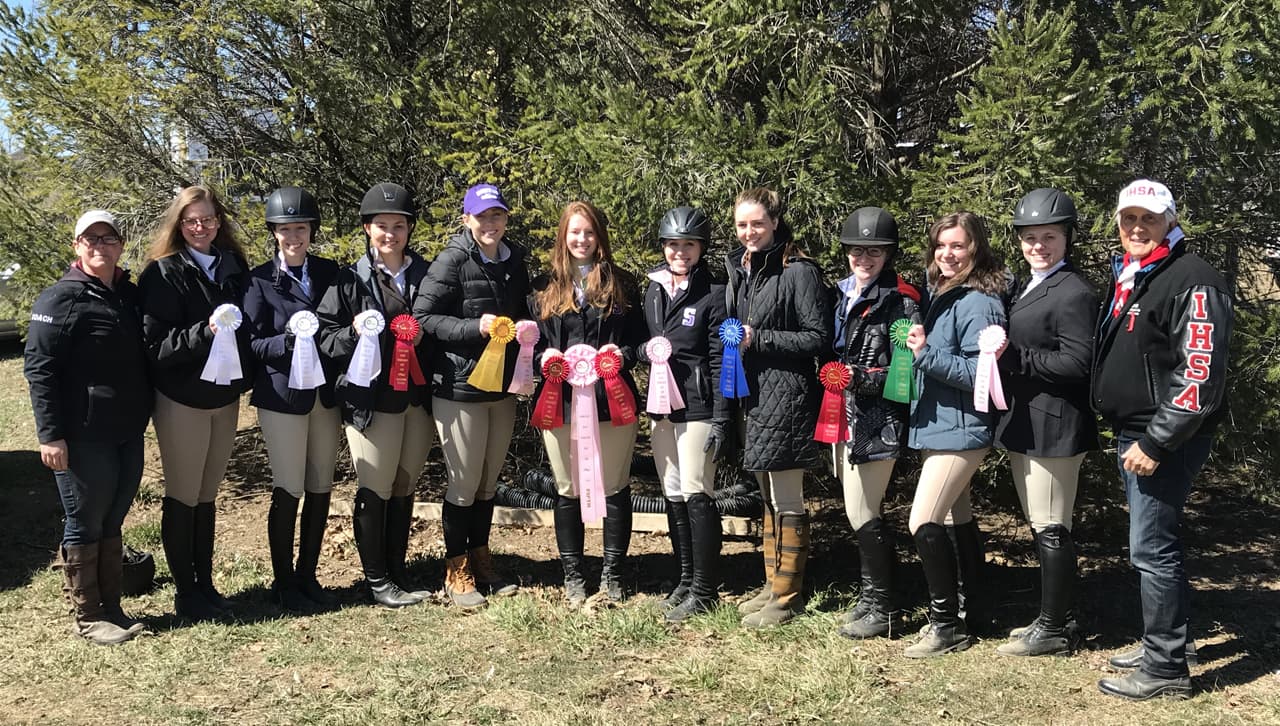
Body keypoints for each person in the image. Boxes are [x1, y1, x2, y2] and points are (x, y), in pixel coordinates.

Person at [1094, 180, 1231, 701]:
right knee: (1155, 544)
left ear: (1171, 221)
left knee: (1153, 549)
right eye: (1127, 218)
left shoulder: (1192, 278)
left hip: (1162, 435)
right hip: (1138, 429)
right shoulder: (1139, 272)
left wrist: (1156, 442)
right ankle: (1170, 644)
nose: (1136, 227)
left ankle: (1166, 670)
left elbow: (1198, 374)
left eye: (1148, 219)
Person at [24, 210, 152, 644]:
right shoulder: (60, 299)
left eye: (108, 237)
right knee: (84, 520)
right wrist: (50, 435)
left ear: (120, 244)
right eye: (90, 238)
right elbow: (39, 369)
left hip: (126, 428)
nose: (100, 245)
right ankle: (89, 616)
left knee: (113, 517)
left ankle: (112, 606)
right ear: (76, 246)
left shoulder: (127, 294)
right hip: (82, 432)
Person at [412, 183, 531, 611]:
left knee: (486, 482)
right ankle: (455, 569)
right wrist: (473, 328)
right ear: (467, 219)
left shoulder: (514, 259)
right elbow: (422, 317)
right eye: (482, 217)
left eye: (497, 215)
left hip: (501, 388)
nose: (491, 224)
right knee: (463, 483)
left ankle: (481, 558)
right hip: (459, 387)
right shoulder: (452, 259)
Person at [991, 189, 1099, 657]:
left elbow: (1078, 363)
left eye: (1049, 237)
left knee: (1052, 524)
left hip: (1055, 425)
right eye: (1030, 238)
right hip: (1025, 421)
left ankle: (1055, 629)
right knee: (1042, 522)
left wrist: (1015, 357)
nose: (1039, 246)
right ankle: (1055, 618)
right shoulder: (1027, 284)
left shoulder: (1074, 291)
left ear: (1067, 238)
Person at [316, 182, 434, 609]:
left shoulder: (426, 273)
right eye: (381, 226)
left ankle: (398, 569)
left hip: (417, 397)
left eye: (398, 226)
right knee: (376, 485)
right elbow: (326, 337)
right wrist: (354, 333)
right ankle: (377, 578)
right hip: (371, 400)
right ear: (368, 229)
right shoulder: (349, 279)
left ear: (408, 229)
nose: (390, 234)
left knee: (405, 483)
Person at [138, 185, 252, 621]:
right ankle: (186, 594)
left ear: (219, 222)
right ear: (178, 225)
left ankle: (206, 585)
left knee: (207, 497)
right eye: (191, 221)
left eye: (207, 219)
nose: (200, 227)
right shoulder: (162, 273)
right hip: (181, 399)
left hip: (224, 398)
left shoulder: (234, 267)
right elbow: (156, 347)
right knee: (183, 495)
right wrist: (204, 332)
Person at [902, 211, 1007, 657]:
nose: (947, 253)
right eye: (941, 245)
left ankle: (945, 625)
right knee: (954, 519)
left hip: (961, 430)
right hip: (939, 425)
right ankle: (979, 608)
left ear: (976, 248)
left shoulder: (979, 302)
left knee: (922, 521)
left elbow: (978, 373)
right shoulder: (942, 294)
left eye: (957, 245)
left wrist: (924, 355)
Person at [726, 187, 832, 628]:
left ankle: (789, 597)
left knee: (788, 494)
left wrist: (759, 337)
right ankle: (773, 583)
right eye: (741, 225)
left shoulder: (799, 272)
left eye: (757, 223)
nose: (749, 232)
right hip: (753, 395)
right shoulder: (742, 269)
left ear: (774, 222)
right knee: (768, 493)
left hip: (788, 394)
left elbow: (817, 337)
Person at [529, 200, 644, 607]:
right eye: (575, 232)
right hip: (558, 403)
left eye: (589, 232)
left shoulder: (623, 284)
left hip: (612, 403)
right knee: (567, 488)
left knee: (614, 486)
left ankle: (613, 573)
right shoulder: (542, 287)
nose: (582, 239)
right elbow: (533, 342)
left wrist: (620, 356)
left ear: (600, 237)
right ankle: (574, 574)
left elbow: (641, 341)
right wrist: (543, 357)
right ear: (563, 235)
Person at [243, 187, 342, 612]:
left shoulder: (331, 272)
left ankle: (309, 575)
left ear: (310, 230)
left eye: (300, 227)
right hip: (282, 396)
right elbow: (251, 344)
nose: (293, 236)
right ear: (274, 232)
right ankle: (283, 581)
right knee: (289, 486)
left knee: (321, 486)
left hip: (324, 396)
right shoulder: (259, 280)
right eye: (285, 229)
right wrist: (289, 339)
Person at [828, 207, 922, 639]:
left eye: (874, 251)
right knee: (856, 511)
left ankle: (885, 606)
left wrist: (857, 377)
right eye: (856, 250)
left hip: (877, 418)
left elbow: (904, 375)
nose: (863, 258)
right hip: (841, 415)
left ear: (888, 254)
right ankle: (870, 597)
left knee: (864, 510)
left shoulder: (902, 300)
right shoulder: (840, 294)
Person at [639, 206, 729, 623]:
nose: (680, 252)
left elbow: (719, 357)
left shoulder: (714, 291)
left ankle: (706, 589)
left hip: (699, 404)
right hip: (661, 406)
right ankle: (686, 578)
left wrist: (722, 415)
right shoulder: (654, 288)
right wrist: (642, 352)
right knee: (672, 490)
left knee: (696, 490)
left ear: (701, 248)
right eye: (673, 245)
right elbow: (646, 341)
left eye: (688, 245)